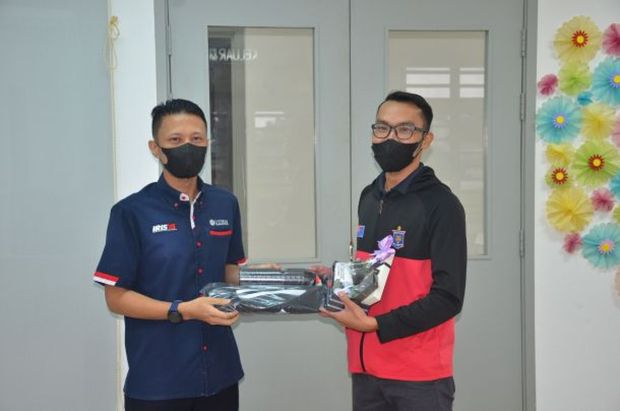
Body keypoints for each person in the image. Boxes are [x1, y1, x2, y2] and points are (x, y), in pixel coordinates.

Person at [94, 99, 247, 411]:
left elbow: (227, 272)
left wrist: (269, 278)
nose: (187, 147)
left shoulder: (225, 204)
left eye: (196, 138)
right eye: (175, 140)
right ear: (156, 148)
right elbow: (116, 298)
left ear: (207, 143)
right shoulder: (131, 212)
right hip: (158, 381)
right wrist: (184, 310)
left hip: (220, 375)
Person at [319, 91, 467, 411]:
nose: (390, 138)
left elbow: (449, 297)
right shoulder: (369, 197)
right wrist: (336, 278)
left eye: (405, 130)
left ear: (426, 140)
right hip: (366, 367)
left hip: (418, 374)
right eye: (382, 128)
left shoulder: (441, 204)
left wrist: (377, 325)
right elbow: (376, 274)